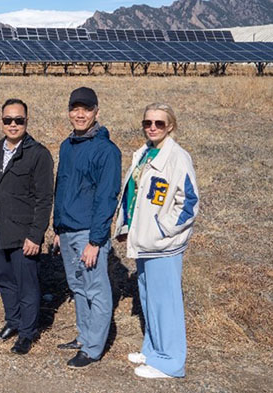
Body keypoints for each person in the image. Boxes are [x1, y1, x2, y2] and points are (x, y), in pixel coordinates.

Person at [114, 103, 199, 379]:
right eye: (147, 122)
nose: (152, 127)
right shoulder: (145, 152)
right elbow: (135, 194)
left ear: (170, 126)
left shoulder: (177, 157)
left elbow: (189, 202)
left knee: (166, 303)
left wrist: (162, 230)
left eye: (159, 123)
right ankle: (153, 350)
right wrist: (129, 225)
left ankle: (171, 361)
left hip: (163, 244)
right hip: (145, 241)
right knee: (149, 299)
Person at [52, 86, 121, 368]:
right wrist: (57, 228)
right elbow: (62, 187)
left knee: (96, 290)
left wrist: (95, 240)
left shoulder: (106, 151)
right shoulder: (67, 146)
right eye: (75, 109)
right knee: (78, 287)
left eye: (86, 109)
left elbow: (107, 197)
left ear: (96, 112)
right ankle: (83, 336)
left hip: (87, 233)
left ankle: (92, 348)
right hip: (67, 230)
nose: (80, 114)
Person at [0, 99, 54, 355]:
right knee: (5, 280)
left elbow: (44, 199)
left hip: (23, 233)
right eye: (8, 120)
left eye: (18, 120)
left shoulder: (38, 154)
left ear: (26, 121)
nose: (13, 125)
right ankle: (13, 322)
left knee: (27, 285)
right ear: (1, 122)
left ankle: (27, 332)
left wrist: (35, 235)